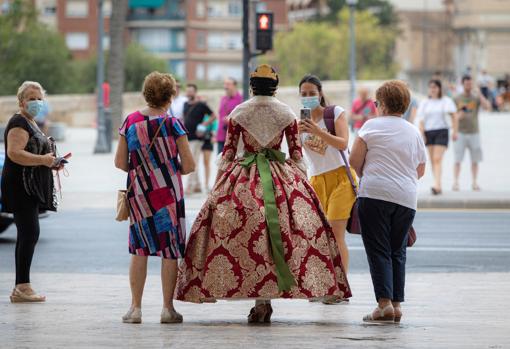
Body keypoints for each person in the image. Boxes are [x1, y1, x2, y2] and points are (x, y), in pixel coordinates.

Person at [175, 65, 351, 323]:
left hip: (243, 178)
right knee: (278, 236)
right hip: (281, 178)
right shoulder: (287, 113)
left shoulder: (239, 113)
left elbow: (228, 154)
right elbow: (296, 155)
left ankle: (259, 297)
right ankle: (266, 298)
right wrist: (302, 189)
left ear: (251, 86)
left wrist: (218, 187)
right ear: (276, 86)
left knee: (249, 240)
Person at [114, 72, 195, 324]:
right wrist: (168, 169)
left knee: (140, 248)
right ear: (170, 96)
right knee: (170, 251)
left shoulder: (130, 121)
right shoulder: (173, 124)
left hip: (140, 194)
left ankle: (135, 309)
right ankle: (167, 309)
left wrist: (143, 170)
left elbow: (119, 162)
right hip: (168, 195)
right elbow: (190, 165)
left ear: (146, 93)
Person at [349, 80, 427, 323]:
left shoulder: (370, 127)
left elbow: (354, 161)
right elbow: (421, 169)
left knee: (378, 250)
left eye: (376, 103)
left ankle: (383, 305)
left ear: (381, 104)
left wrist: (371, 173)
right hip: (406, 198)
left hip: (374, 194)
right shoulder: (413, 131)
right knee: (398, 251)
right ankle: (396, 304)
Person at [1, 81, 60, 303]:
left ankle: (21, 286)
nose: (36, 102)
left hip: (30, 185)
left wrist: (52, 162)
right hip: (20, 185)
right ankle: (22, 287)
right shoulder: (18, 122)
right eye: (31, 98)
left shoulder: (31, 122)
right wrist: (43, 160)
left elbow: (34, 151)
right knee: (29, 233)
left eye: (39, 98)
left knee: (28, 234)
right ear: (21, 101)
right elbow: (15, 153)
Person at [297, 74, 356, 283]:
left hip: (341, 177)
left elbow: (342, 143)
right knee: (320, 235)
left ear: (320, 94)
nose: (308, 97)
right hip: (317, 181)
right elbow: (298, 157)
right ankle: (324, 284)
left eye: (312, 93)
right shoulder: (301, 124)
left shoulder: (334, 113)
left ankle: (340, 285)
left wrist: (318, 132)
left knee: (336, 232)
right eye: (303, 94)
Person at [417, 79, 458, 195]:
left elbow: (454, 115)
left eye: (435, 87)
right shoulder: (425, 102)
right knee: (432, 160)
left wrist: (455, 131)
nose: (433, 89)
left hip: (442, 131)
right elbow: (421, 120)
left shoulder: (446, 101)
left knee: (437, 158)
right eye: (431, 87)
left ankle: (437, 185)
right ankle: (437, 184)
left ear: (439, 88)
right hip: (429, 132)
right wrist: (422, 134)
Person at [453, 75, 491, 191]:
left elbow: (487, 107)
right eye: (466, 84)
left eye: (470, 84)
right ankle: (456, 182)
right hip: (460, 133)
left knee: (475, 160)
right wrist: (457, 120)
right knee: (458, 159)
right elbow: (452, 117)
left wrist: (479, 93)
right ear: (463, 84)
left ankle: (474, 182)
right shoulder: (457, 98)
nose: (469, 86)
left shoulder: (476, 98)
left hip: (474, 132)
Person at [183, 83, 217, 194]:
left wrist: (203, 125)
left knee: (193, 161)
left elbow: (213, 116)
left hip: (197, 138)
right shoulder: (185, 104)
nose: (189, 93)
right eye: (188, 91)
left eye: (191, 91)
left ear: (195, 92)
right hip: (187, 137)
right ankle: (197, 185)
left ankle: (189, 186)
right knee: (193, 160)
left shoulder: (201, 105)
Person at [217, 77, 243, 154]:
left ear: (235, 86)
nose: (225, 86)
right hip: (221, 136)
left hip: (233, 137)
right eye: (224, 84)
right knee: (220, 163)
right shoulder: (223, 99)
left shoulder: (241, 99)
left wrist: (230, 119)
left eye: (228, 84)